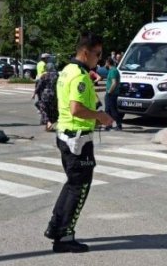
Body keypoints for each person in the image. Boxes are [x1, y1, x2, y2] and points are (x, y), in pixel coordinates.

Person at [44, 33, 114, 254]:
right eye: (97, 54)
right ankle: (64, 236)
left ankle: (56, 227)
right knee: (79, 188)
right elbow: (76, 108)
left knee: (71, 184)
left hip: (67, 134)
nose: (99, 59)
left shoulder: (67, 71)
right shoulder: (80, 77)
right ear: (85, 52)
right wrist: (100, 117)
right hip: (77, 139)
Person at [33, 62, 59, 131]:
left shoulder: (45, 75)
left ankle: (48, 122)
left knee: (41, 107)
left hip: (46, 95)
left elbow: (39, 85)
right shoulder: (57, 75)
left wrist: (34, 93)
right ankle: (49, 125)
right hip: (54, 95)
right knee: (52, 110)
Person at [104, 57, 123, 131]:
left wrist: (109, 92)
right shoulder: (114, 70)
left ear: (108, 63)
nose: (105, 64)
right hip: (113, 93)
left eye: (106, 63)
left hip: (111, 94)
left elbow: (114, 83)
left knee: (112, 110)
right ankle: (109, 125)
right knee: (108, 110)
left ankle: (118, 125)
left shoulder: (112, 71)